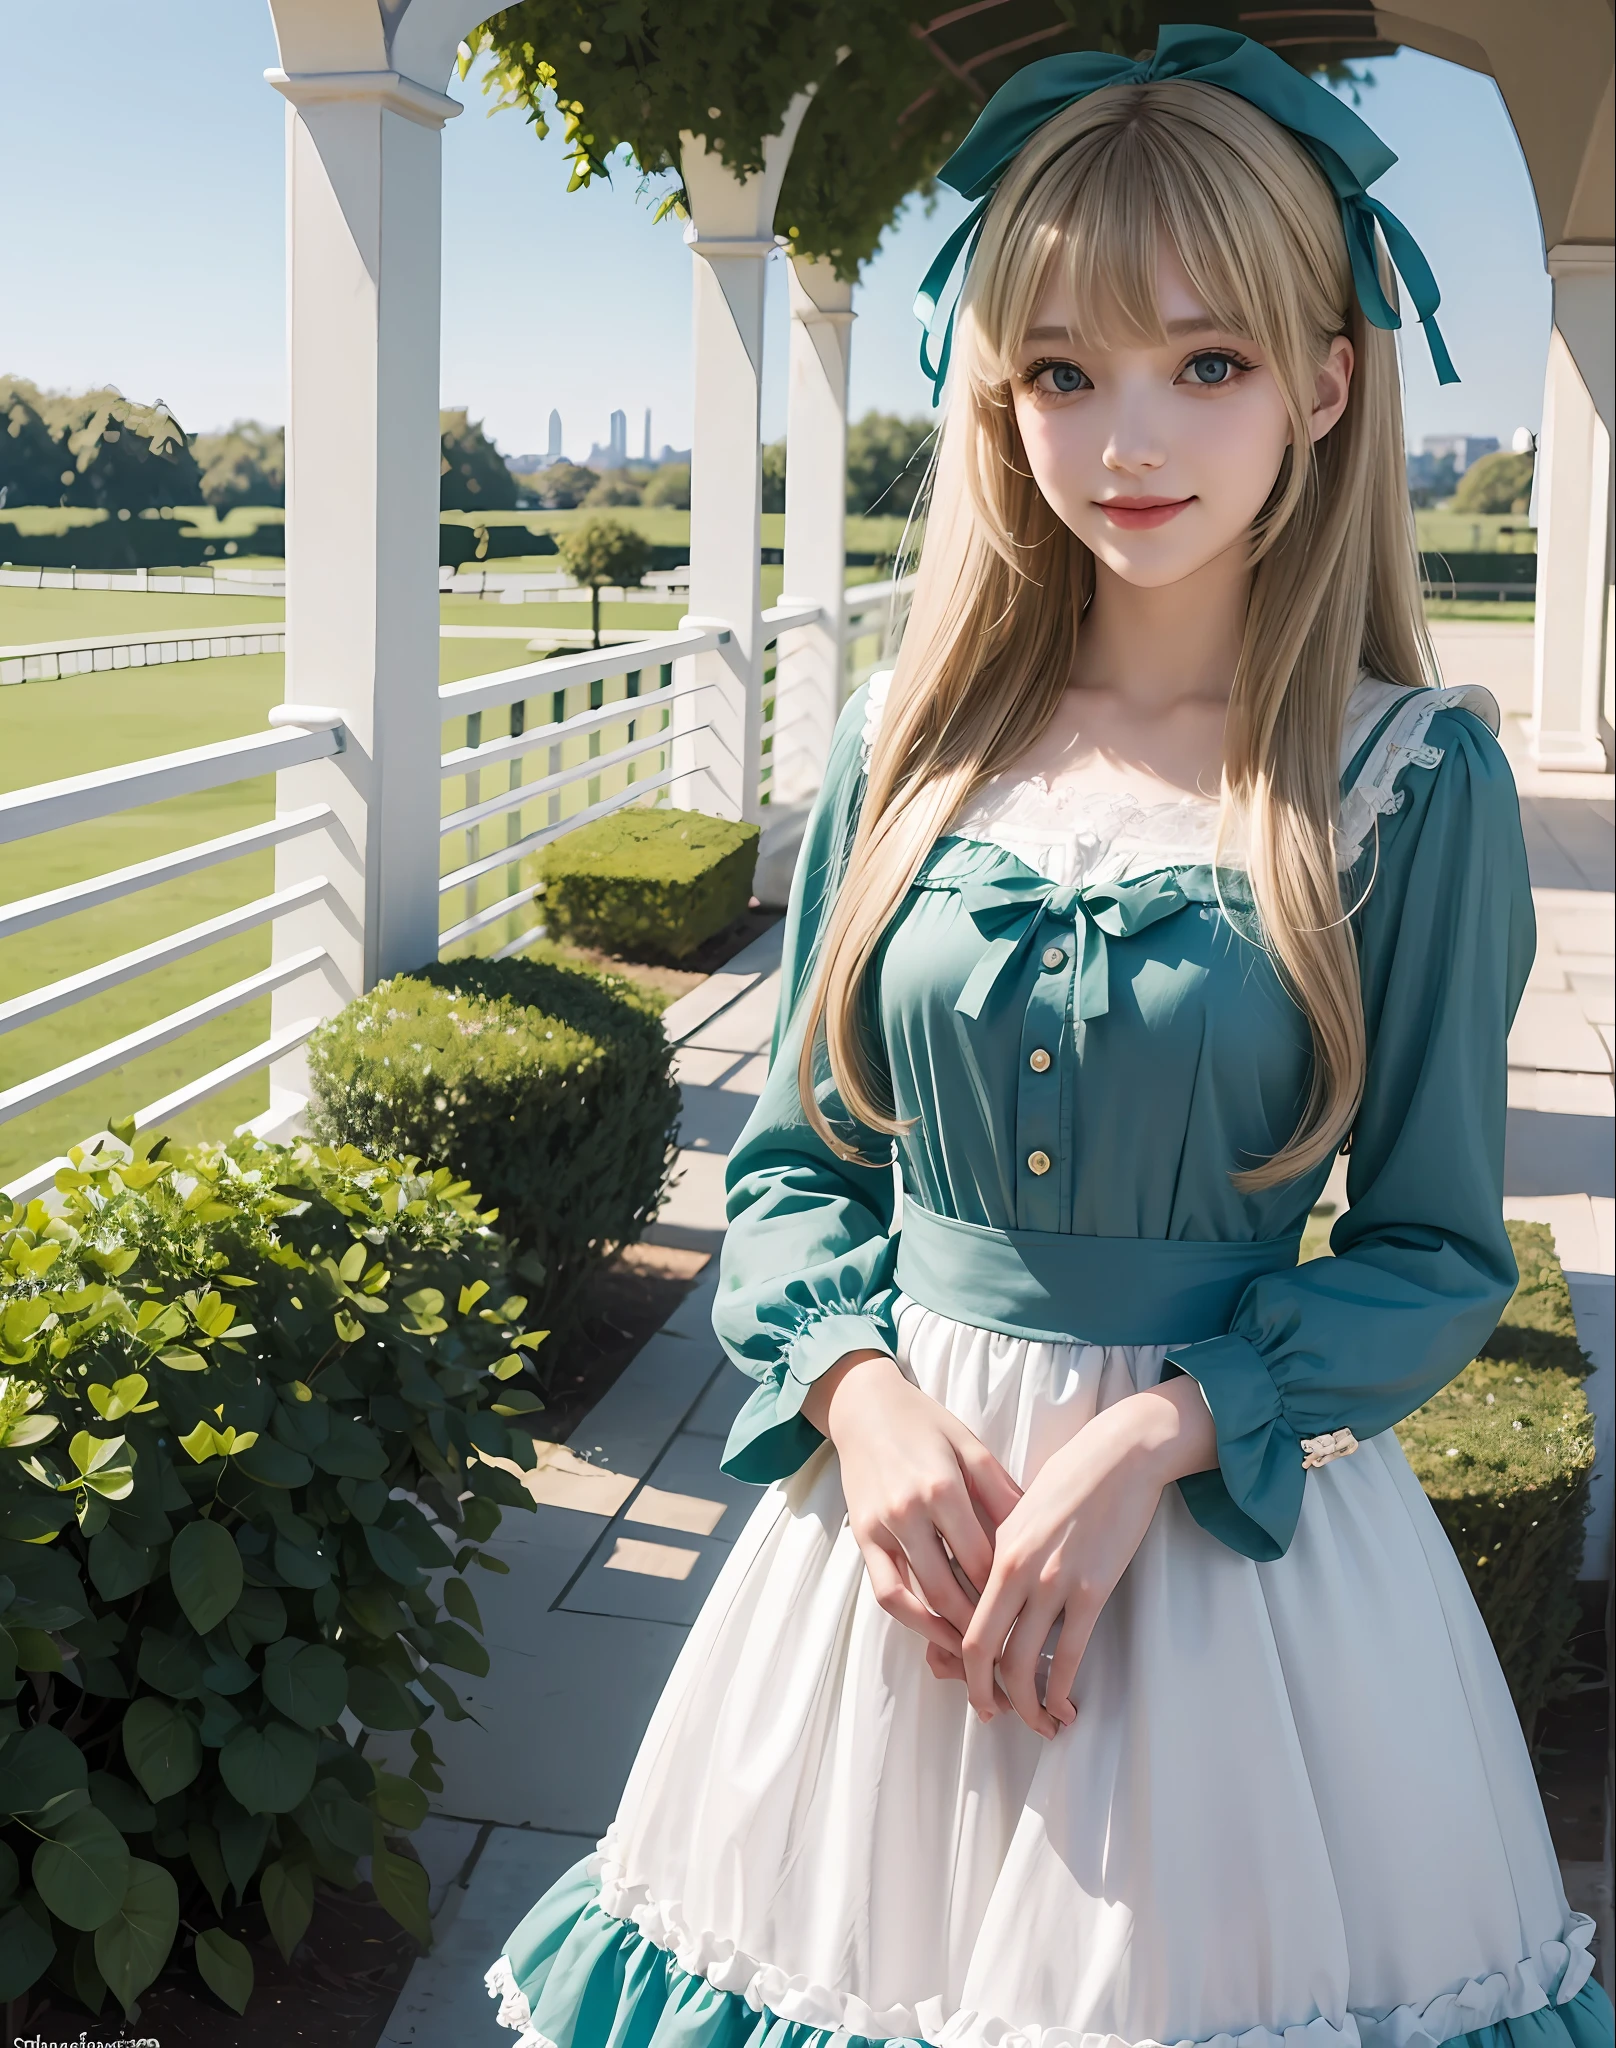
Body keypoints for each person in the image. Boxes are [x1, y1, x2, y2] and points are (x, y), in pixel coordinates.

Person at [487, 29, 1612, 2048]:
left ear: (1325, 381)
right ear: (996, 401)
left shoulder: (1403, 784)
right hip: (882, 1575)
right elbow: (797, 1171)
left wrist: (1160, 1427)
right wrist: (854, 1389)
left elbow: (1434, 1251)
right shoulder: (906, 750)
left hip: (1237, 1595)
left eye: (1207, 361)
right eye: (1062, 372)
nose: (1127, 439)